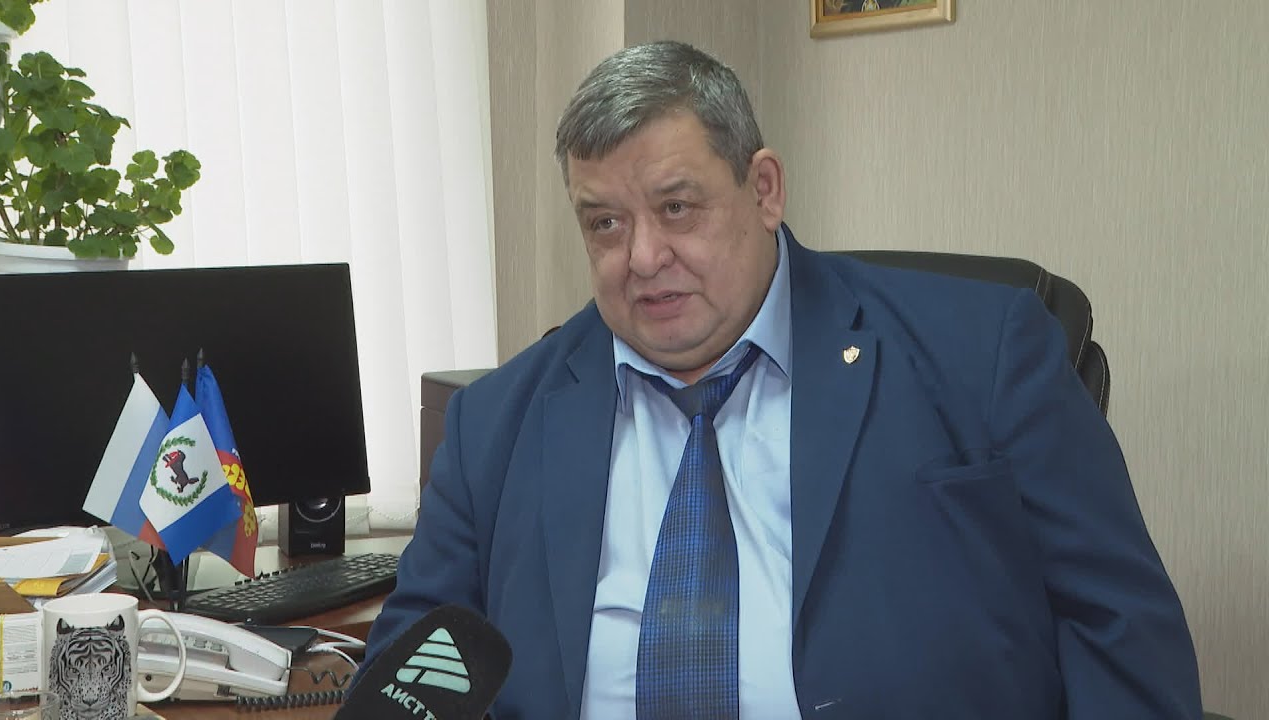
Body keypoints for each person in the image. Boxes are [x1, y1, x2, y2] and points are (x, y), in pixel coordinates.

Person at [359, 40, 1202, 719]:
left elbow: (1122, 632)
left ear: (764, 189)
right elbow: (405, 685)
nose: (642, 257)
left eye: (677, 207)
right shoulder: (496, 423)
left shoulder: (981, 352)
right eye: (605, 223)